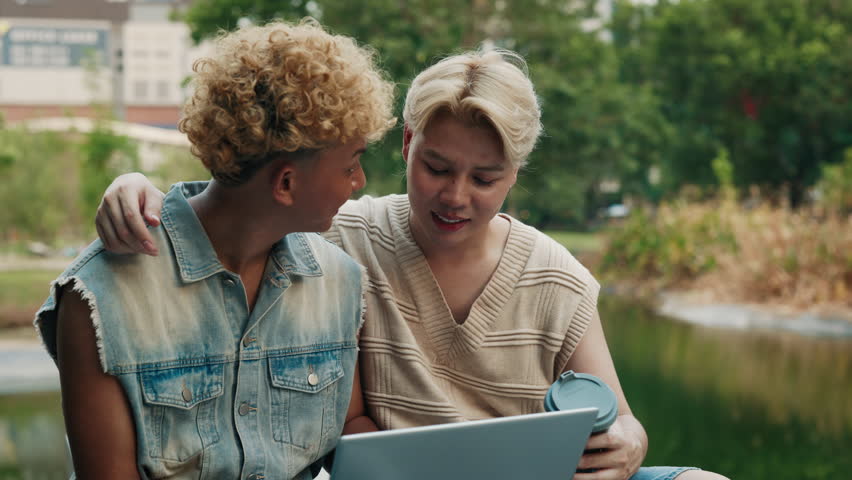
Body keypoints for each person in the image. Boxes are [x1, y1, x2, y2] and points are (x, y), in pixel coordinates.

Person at [93, 49, 729, 480]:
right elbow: (244, 197)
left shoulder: (555, 276)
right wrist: (135, 183)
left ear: (516, 174)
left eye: (486, 178)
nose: (456, 197)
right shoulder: (340, 234)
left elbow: (618, 420)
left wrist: (631, 442)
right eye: (437, 168)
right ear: (406, 145)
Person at [34, 20, 395, 479]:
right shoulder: (101, 297)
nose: (359, 181)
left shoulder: (339, 281)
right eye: (351, 164)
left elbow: (347, 427)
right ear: (286, 183)